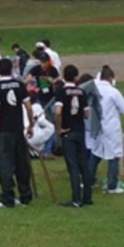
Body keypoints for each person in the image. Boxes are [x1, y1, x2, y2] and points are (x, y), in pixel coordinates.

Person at [0, 57, 34, 209]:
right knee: (22, 162)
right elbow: (28, 107)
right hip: (18, 128)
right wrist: (31, 124)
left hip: (4, 130)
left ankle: (7, 197)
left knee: (4, 164)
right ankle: (25, 195)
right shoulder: (20, 85)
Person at [87, 65, 124, 195]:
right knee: (113, 156)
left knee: (95, 154)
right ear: (110, 78)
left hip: (97, 126)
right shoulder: (114, 92)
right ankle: (112, 185)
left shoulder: (94, 90)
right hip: (111, 128)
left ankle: (88, 181)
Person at [55, 64, 93, 208]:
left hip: (68, 131)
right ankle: (87, 197)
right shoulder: (82, 92)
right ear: (76, 77)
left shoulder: (61, 92)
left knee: (73, 166)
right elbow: (87, 113)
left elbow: (58, 112)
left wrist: (59, 128)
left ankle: (76, 199)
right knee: (83, 163)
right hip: (80, 130)